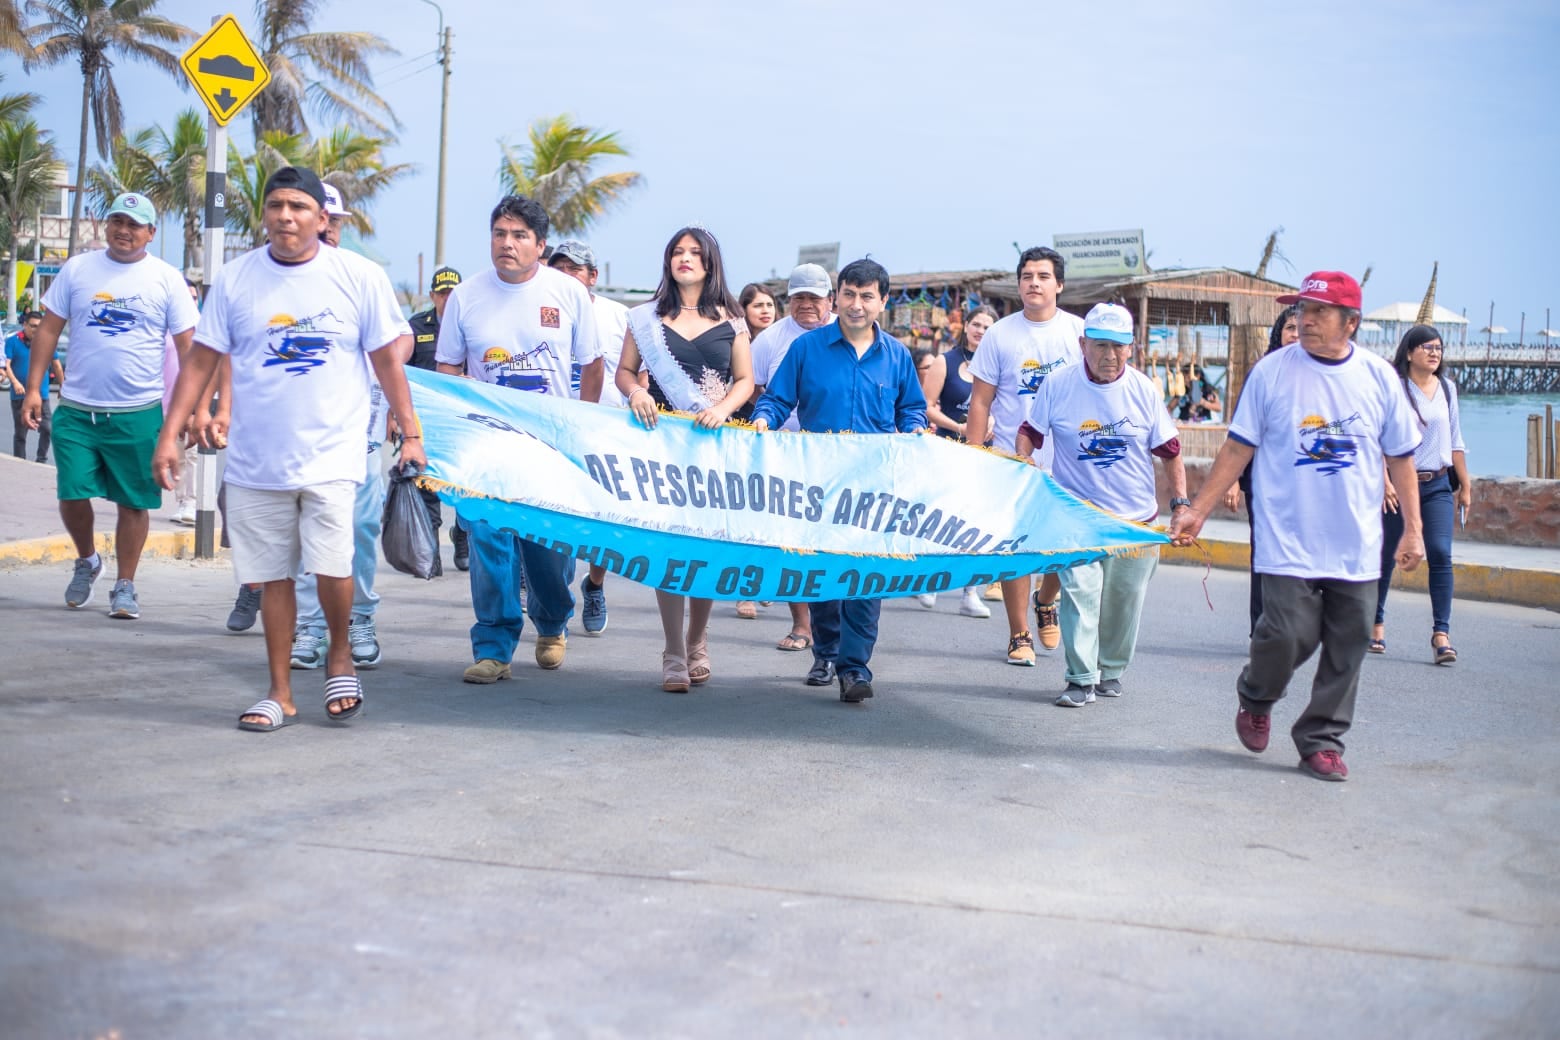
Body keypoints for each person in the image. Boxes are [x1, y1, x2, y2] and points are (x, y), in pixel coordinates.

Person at [152, 166, 424, 732]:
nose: (285, 216)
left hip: (332, 453)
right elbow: (201, 359)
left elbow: (385, 359)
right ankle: (280, 692)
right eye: (275, 205)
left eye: (298, 207)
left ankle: (340, 653)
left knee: (332, 565)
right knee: (272, 576)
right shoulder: (234, 278)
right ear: (265, 214)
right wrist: (169, 434)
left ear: (322, 219)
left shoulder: (358, 276)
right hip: (255, 459)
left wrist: (410, 431)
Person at [1170, 270, 1425, 782]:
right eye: (1301, 311)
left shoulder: (1378, 379)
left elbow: (1400, 458)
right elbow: (1238, 447)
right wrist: (1197, 509)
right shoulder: (1271, 373)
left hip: (1356, 541)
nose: (1305, 320)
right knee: (1286, 632)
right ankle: (1258, 695)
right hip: (1288, 534)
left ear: (1351, 323)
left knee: (1350, 642)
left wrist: (1414, 529)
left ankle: (1321, 739)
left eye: (1318, 312)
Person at [436, 194, 603, 684]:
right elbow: (448, 367)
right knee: (489, 540)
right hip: (485, 443)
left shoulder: (567, 293)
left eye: (519, 236)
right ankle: (494, 643)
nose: (507, 244)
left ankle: (552, 622)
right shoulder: (466, 296)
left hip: (549, 443)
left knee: (548, 548)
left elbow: (591, 366)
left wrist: (581, 425)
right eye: (499, 234)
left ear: (540, 245)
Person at [751, 258, 927, 704]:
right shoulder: (807, 350)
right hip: (818, 484)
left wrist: (914, 430)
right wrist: (762, 422)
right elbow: (776, 399)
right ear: (836, 299)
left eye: (867, 296)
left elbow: (912, 409)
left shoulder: (898, 356)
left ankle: (855, 667)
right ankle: (826, 651)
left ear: (882, 302)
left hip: (874, 487)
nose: (856, 304)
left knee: (867, 578)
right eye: (849, 294)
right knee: (824, 576)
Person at [21, 192, 200, 618]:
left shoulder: (166, 278)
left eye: (135, 224)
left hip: (138, 411)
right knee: (71, 493)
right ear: (106, 226)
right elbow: (48, 331)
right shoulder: (78, 269)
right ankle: (88, 561)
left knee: (133, 503)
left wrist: (191, 410)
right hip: (78, 409)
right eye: (118, 221)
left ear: (151, 233)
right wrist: (34, 389)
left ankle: (125, 585)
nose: (124, 230)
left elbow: (190, 347)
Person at [1018, 303, 1188, 705]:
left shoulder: (1143, 390)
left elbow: (1171, 451)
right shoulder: (1058, 385)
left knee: (1123, 601)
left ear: (1132, 348)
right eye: (1099, 346)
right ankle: (1080, 678)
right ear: (1082, 344)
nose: (1109, 356)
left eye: (1119, 347)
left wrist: (1180, 503)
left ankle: (1111, 669)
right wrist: (1024, 461)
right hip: (1077, 516)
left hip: (1134, 520)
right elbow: (1030, 431)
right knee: (1080, 593)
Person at [616, 226, 753, 693]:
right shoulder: (645, 318)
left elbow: (745, 381)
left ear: (710, 263)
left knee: (706, 547)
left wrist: (722, 410)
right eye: (677, 252)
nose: (685, 259)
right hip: (662, 448)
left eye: (695, 252)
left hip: (714, 447)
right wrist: (636, 392)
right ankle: (674, 649)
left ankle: (698, 638)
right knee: (669, 549)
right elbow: (625, 371)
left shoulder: (733, 320)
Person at [284, 182, 411, 670]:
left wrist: (374, 356)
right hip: (297, 435)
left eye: (336, 222)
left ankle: (359, 616)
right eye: (326, 220)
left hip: (354, 435)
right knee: (304, 533)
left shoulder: (362, 274)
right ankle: (312, 624)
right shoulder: (283, 278)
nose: (331, 230)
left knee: (357, 527)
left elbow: (398, 340)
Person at [963, 246, 1085, 664]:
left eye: (1043, 276)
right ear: (1019, 284)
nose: (1034, 282)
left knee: (1060, 546)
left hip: (1068, 461)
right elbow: (980, 402)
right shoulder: (1001, 334)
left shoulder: (1078, 332)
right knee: (1015, 545)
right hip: (1011, 458)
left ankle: (1047, 600)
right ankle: (1019, 634)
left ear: (1059, 285)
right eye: (1027, 275)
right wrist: (974, 458)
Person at [748, 263, 837, 653]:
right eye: (798, 298)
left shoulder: (847, 333)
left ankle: (836, 625)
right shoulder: (769, 340)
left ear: (829, 301)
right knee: (791, 540)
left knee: (833, 540)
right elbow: (753, 387)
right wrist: (773, 418)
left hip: (837, 452)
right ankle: (802, 624)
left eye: (813, 298)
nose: (805, 306)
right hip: (786, 452)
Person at [1371, 324, 1471, 664]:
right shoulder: (1395, 389)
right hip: (1399, 486)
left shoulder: (1447, 388)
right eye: (1427, 347)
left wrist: (1466, 485)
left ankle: (1441, 634)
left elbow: (1455, 440)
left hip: (1439, 484)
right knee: (1388, 553)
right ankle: (1377, 624)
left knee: (1440, 553)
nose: (1434, 353)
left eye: (1439, 348)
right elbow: (1379, 439)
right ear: (1410, 352)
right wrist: (1384, 480)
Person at [549, 239, 630, 634]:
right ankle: (556, 599)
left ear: (592, 276)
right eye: (558, 268)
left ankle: (594, 584)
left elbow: (637, 373)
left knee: (604, 520)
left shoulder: (619, 316)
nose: (565, 276)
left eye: (574, 269)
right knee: (559, 518)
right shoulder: (538, 312)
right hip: (557, 431)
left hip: (609, 431)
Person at [915, 304, 998, 618]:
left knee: (976, 521)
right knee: (940, 515)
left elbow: (1002, 405)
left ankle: (970, 592)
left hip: (982, 454)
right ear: (966, 327)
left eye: (989, 327)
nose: (981, 331)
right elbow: (926, 406)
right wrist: (959, 426)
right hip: (947, 450)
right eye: (977, 324)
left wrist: (991, 425)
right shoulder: (944, 361)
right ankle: (930, 579)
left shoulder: (998, 365)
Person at [1223, 306, 1298, 634]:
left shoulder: (1322, 376)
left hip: (1302, 484)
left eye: (1301, 327)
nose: (1296, 333)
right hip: (1262, 483)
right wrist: (1234, 481)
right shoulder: (1264, 373)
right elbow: (1241, 435)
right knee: (1265, 552)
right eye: (1290, 327)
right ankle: (1261, 625)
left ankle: (1293, 621)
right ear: (1279, 333)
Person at [408, 265, 467, 570]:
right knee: (427, 484)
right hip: (425, 419)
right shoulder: (416, 327)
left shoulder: (471, 325)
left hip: (462, 418)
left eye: (453, 293)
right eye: (442, 293)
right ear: (432, 295)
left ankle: (463, 536)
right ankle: (431, 550)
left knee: (463, 483)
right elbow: (400, 372)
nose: (447, 298)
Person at [732, 281, 780, 621]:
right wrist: (763, 405)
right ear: (744, 310)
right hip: (742, 427)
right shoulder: (737, 342)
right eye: (757, 306)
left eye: (770, 305)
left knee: (773, 510)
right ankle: (743, 589)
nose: (765, 311)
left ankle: (766, 580)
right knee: (746, 510)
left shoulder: (782, 341)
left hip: (774, 432)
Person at [5, 311, 61, 461]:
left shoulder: (46, 342)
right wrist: (15, 382)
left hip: (42, 395)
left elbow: (56, 365)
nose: (36, 330)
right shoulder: (12, 341)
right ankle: (20, 461)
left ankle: (41, 459)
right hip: (20, 395)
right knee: (21, 433)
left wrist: (63, 385)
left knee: (47, 428)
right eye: (33, 326)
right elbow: (6, 365)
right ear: (24, 325)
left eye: (39, 326)